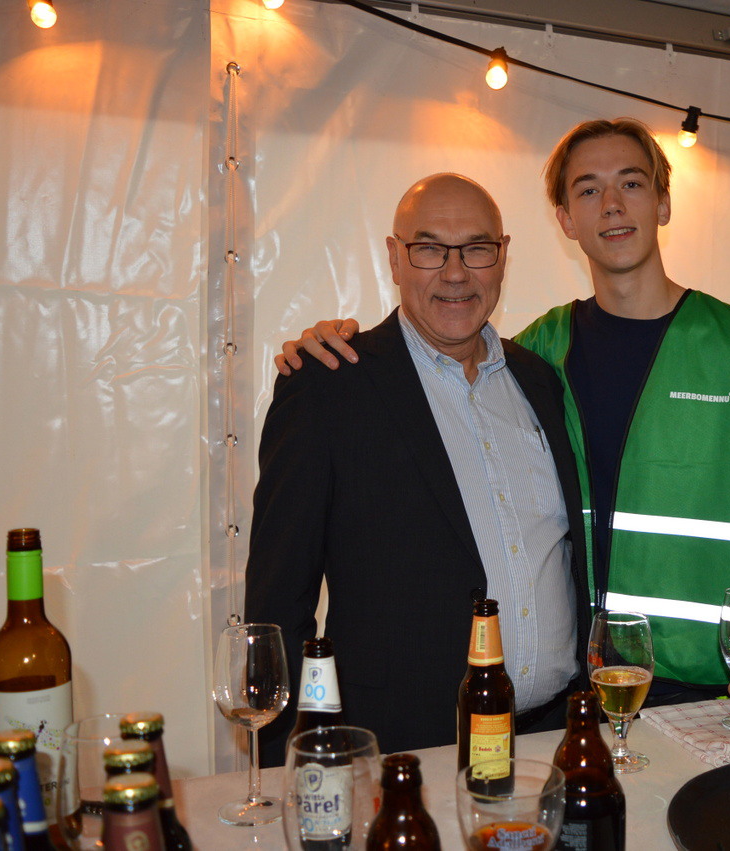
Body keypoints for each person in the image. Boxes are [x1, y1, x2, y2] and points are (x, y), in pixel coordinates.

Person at [276, 119, 730, 726]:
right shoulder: (538, 357)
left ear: (664, 202)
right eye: (588, 190)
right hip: (584, 699)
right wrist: (321, 346)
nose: (611, 205)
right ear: (565, 219)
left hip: (716, 691)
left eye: (631, 183)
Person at [246, 173, 590, 765]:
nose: (455, 273)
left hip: (552, 738)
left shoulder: (539, 382)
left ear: (503, 256)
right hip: (404, 751)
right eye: (429, 249)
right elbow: (278, 605)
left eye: (476, 248)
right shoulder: (328, 386)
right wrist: (294, 769)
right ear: (394, 257)